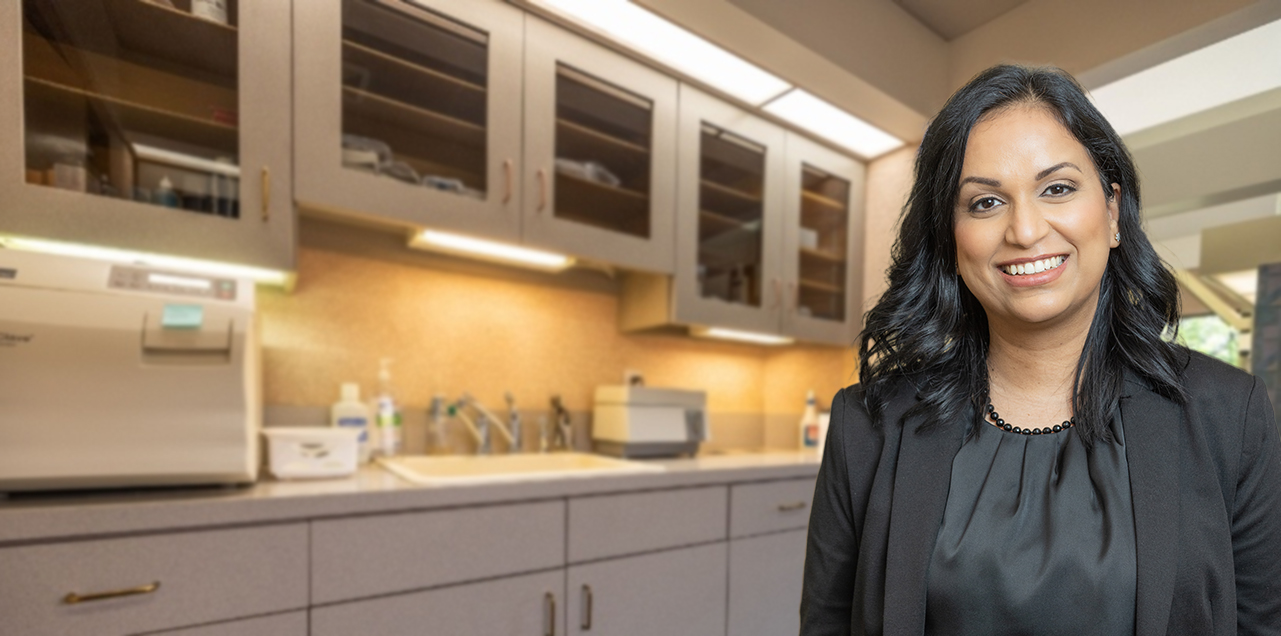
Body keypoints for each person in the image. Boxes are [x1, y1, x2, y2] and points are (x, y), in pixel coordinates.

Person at [800, 64, 1281, 635]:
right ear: (950, 235)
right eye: (984, 203)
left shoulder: (1232, 414)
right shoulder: (867, 425)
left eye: (1057, 188)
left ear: (1111, 210)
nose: (1025, 230)